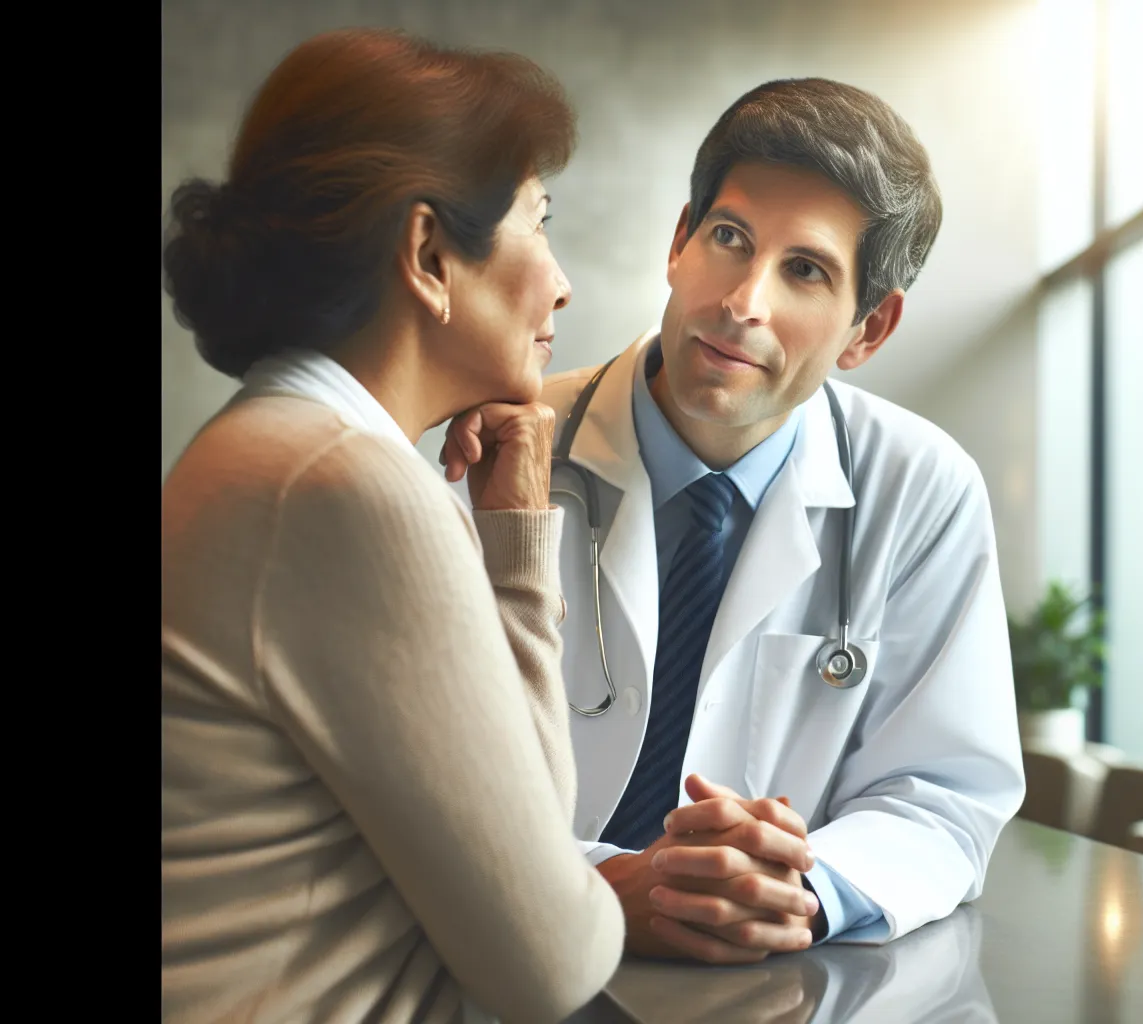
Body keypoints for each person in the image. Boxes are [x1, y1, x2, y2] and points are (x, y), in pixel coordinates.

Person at [442, 77, 1025, 965]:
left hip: (772, 981)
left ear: (869, 329)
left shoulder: (923, 488)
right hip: (513, 963)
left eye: (805, 270)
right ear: (679, 242)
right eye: (729, 239)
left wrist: (801, 885)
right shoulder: (494, 448)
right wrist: (597, 887)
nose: (744, 301)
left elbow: (945, 792)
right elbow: (430, 767)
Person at [161, 29, 623, 1022]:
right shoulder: (342, 485)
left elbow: (532, 845)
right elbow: (555, 961)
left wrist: (512, 529)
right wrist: (616, 895)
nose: (561, 282)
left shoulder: (276, 447)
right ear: (428, 256)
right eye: (539, 222)